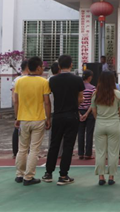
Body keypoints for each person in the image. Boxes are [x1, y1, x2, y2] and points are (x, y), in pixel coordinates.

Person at [42, 55, 85, 186]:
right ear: (71, 65)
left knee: (54, 144)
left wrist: (48, 118)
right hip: (72, 115)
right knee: (68, 146)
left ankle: (48, 173)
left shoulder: (52, 80)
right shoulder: (77, 79)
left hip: (58, 115)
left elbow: (49, 99)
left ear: (59, 66)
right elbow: (81, 98)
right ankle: (63, 175)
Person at [14, 56, 51, 186]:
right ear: (39, 67)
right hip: (38, 119)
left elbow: (16, 101)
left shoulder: (19, 81)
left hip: (23, 119)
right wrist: (48, 118)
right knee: (34, 149)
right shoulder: (44, 82)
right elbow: (47, 102)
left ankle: (19, 174)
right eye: (42, 66)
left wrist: (17, 118)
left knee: (22, 148)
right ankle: (29, 177)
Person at [92, 71, 120, 185]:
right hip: (114, 124)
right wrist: (116, 119)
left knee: (100, 152)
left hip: (100, 123)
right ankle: (111, 177)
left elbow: (94, 111)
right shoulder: (118, 94)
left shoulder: (96, 94)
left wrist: (99, 119)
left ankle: (101, 177)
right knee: (113, 152)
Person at [11, 60, 29, 158]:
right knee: (28, 131)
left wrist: (16, 114)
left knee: (17, 129)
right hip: (29, 109)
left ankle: (16, 152)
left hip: (20, 108)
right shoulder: (31, 79)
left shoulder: (16, 80)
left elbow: (14, 98)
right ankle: (27, 151)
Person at [78, 70, 96, 160]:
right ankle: (88, 154)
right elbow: (93, 103)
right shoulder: (93, 88)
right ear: (89, 77)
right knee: (89, 133)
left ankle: (80, 153)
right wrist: (87, 113)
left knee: (80, 133)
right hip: (89, 112)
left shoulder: (78, 88)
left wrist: (79, 114)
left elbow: (75, 101)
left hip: (79, 111)